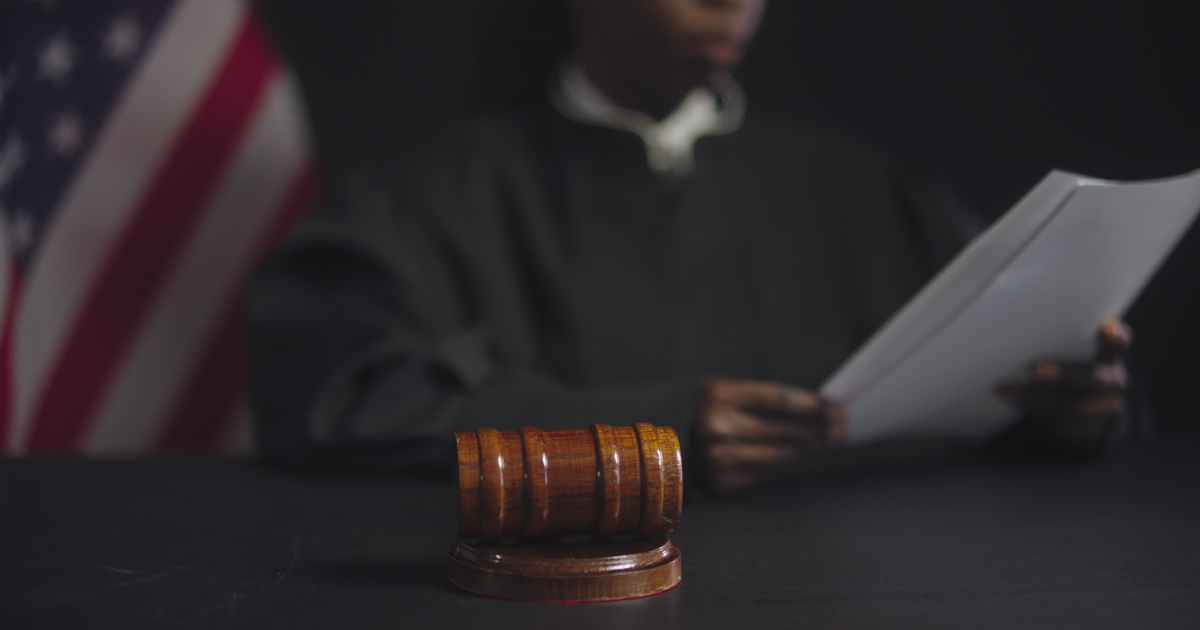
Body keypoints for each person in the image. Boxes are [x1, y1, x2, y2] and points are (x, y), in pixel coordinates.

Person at [246, 0, 1129, 493]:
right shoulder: (433, 200)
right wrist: (646, 438)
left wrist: (1076, 406)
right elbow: (341, 397)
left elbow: (1011, 377)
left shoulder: (861, 192)